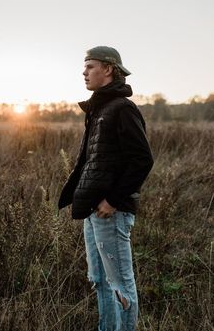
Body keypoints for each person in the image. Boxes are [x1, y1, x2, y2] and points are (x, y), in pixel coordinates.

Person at [58, 46, 154, 331]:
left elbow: (142, 159)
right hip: (93, 209)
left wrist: (112, 200)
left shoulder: (122, 108)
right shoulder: (100, 108)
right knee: (100, 280)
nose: (84, 72)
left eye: (90, 66)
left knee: (120, 283)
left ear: (109, 69)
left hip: (111, 212)